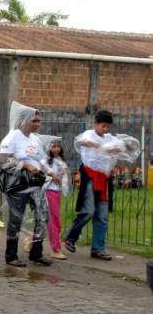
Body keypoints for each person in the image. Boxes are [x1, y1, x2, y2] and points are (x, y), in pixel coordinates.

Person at [0, 102, 51, 267]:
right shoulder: (12, 137)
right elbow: (3, 160)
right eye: (34, 121)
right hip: (18, 185)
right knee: (16, 219)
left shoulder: (35, 139)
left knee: (43, 216)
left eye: (38, 121)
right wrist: (25, 165)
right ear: (25, 120)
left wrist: (50, 171)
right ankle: (11, 256)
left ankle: (36, 253)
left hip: (35, 184)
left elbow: (41, 160)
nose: (37, 124)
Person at [63, 109, 117, 260]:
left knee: (102, 215)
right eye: (103, 126)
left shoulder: (110, 138)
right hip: (91, 177)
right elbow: (80, 141)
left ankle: (98, 248)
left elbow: (119, 149)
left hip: (104, 179)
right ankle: (70, 237)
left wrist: (117, 148)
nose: (105, 129)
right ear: (96, 123)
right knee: (88, 210)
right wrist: (90, 143)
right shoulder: (88, 134)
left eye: (108, 127)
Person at [44, 139, 69, 260]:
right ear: (49, 148)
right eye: (54, 146)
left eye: (58, 146)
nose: (56, 149)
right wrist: (51, 176)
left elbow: (63, 177)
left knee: (47, 219)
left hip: (56, 191)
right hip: (48, 191)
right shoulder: (45, 161)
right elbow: (43, 173)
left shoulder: (60, 160)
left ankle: (31, 241)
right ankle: (55, 248)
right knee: (53, 220)